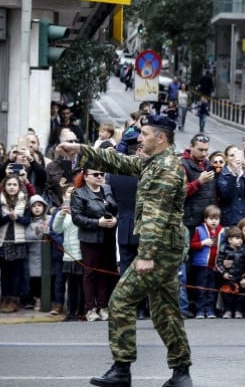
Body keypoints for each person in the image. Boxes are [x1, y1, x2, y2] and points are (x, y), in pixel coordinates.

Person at [57, 114, 193, 387]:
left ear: (161, 138)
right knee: (165, 310)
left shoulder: (165, 170)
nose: (139, 138)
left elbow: (156, 215)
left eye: (144, 134)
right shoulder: (156, 163)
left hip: (160, 249)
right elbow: (122, 162)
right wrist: (82, 150)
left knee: (119, 301)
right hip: (167, 247)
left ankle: (121, 369)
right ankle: (181, 374)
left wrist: (147, 255)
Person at [71, 168, 118, 322]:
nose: (99, 177)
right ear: (85, 177)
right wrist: (97, 222)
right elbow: (77, 218)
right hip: (90, 238)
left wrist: (115, 219)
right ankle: (91, 308)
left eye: (102, 174)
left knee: (106, 271)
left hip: (108, 236)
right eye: (95, 174)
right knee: (91, 273)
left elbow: (116, 208)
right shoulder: (79, 193)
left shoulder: (107, 189)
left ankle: (104, 306)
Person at [180, 133, 217, 318]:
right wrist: (198, 182)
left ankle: (203, 304)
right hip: (189, 222)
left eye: (206, 150)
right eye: (200, 149)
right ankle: (186, 305)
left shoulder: (209, 164)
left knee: (205, 265)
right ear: (191, 147)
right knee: (186, 265)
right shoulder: (183, 164)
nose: (204, 153)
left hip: (207, 223)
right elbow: (179, 192)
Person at [0, 174, 31, 313]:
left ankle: (14, 300)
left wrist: (17, 218)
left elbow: (27, 220)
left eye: (14, 185)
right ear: (4, 186)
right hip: (3, 240)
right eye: (9, 185)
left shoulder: (24, 201)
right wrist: (8, 217)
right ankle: (4, 299)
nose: (12, 187)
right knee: (4, 273)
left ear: (19, 186)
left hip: (18, 241)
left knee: (16, 273)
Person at [51, 184, 84, 321]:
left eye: (73, 192)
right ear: (64, 196)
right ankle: (70, 312)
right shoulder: (62, 212)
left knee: (81, 285)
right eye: (68, 193)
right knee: (70, 285)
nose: (71, 195)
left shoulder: (81, 209)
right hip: (68, 253)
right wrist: (61, 214)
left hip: (80, 253)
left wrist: (74, 213)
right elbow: (56, 229)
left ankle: (81, 311)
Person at [189, 204, 224, 319]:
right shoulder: (200, 230)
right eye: (211, 218)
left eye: (216, 219)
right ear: (205, 219)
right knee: (201, 288)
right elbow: (192, 245)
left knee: (212, 289)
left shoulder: (222, 231)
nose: (214, 221)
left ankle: (210, 310)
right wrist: (202, 243)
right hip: (202, 265)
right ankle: (200, 310)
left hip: (215, 266)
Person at [215, 226, 245, 319]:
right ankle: (228, 311)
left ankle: (238, 311)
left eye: (241, 238)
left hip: (240, 276)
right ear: (230, 240)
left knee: (240, 296)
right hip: (229, 277)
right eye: (237, 238)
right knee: (227, 295)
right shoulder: (224, 249)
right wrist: (223, 273)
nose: (240, 241)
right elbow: (218, 263)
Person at [217, 145, 245, 227]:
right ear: (226, 159)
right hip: (229, 218)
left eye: (237, 155)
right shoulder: (222, 174)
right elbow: (226, 195)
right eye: (231, 155)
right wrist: (233, 174)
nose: (235, 158)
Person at [24, 195, 51, 311]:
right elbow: (27, 236)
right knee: (34, 278)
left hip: (47, 255)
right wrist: (36, 233)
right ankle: (35, 299)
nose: (37, 208)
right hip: (33, 254)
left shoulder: (49, 219)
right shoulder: (28, 222)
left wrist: (46, 231)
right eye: (34, 206)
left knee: (46, 278)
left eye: (39, 205)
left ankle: (46, 299)